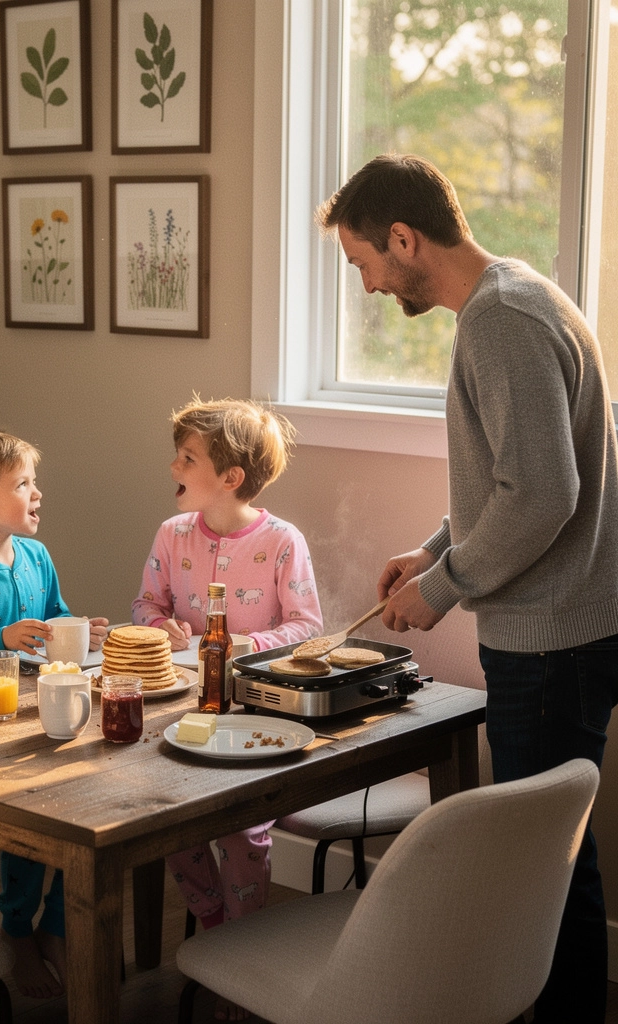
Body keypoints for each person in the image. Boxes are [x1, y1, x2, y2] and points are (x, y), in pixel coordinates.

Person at [317, 153, 618, 1024]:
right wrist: (433, 550)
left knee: (545, 868)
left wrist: (444, 587)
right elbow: (514, 478)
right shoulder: (521, 296)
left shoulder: (500, 321)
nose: (370, 286)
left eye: (365, 263)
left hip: (552, 644)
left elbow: (545, 495)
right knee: (553, 859)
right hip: (567, 632)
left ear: (403, 238)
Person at [132, 396, 323, 1022]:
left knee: (242, 831)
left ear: (231, 477)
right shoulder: (172, 534)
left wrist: (244, 645)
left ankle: (241, 960)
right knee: (165, 821)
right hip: (184, 708)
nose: (173, 467)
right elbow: (147, 605)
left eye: (187, 458)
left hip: (256, 716)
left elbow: (307, 627)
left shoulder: (282, 542)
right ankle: (213, 927)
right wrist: (160, 627)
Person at [0, 429, 109, 999]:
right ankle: (16, 931)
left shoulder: (37, 556)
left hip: (51, 707)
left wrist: (80, 630)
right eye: (23, 484)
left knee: (75, 812)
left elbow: (54, 616)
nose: (37, 494)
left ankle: (56, 926)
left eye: (34, 482)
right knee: (27, 827)